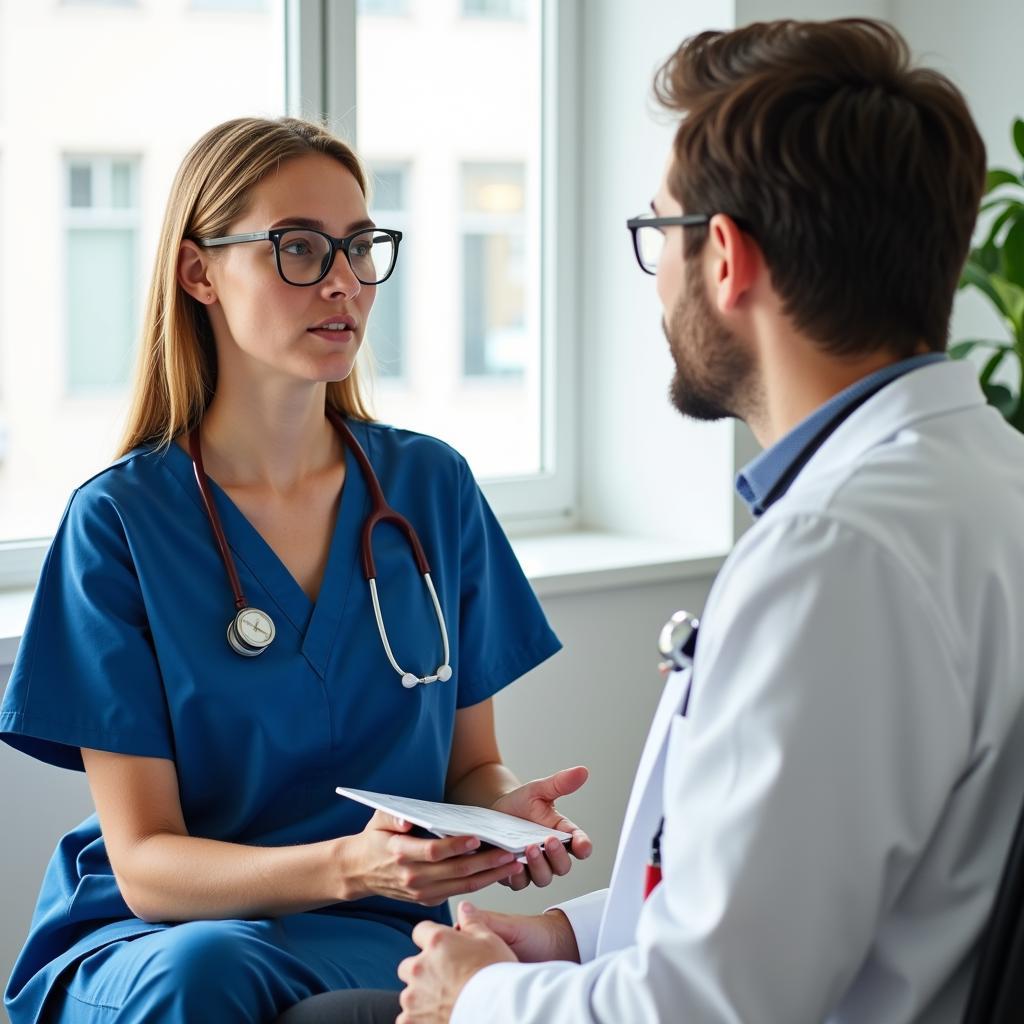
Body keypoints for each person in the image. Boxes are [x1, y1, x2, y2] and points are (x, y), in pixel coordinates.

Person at [304, 17, 1024, 1023]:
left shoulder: (836, 557)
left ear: (724, 257)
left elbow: (708, 1002)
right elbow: (772, 901)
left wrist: (481, 997)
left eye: (661, 234)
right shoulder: (988, 480)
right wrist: (560, 937)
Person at [0, 116, 593, 1024]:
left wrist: (507, 818)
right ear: (200, 273)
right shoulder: (119, 523)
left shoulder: (429, 488)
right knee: (206, 975)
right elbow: (147, 863)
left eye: (360, 247)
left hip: (376, 926)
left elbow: (469, 767)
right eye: (301, 249)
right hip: (164, 936)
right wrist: (344, 864)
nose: (345, 282)